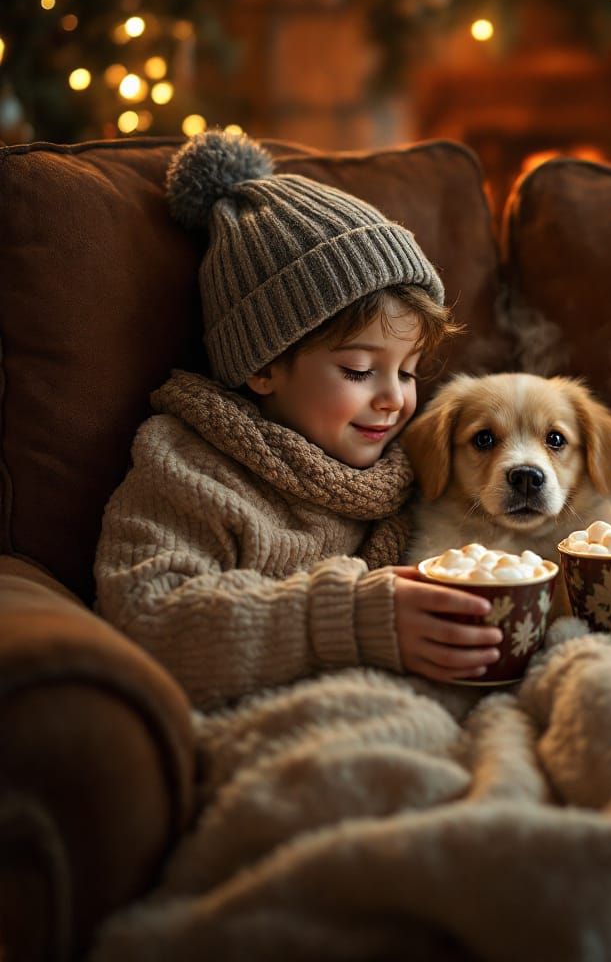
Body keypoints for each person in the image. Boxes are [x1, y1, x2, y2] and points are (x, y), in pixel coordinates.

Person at [94, 130, 501, 709]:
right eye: (360, 371)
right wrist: (351, 618)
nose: (394, 400)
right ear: (263, 366)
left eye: (408, 372)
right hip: (278, 723)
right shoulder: (189, 469)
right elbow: (148, 616)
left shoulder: (413, 468)